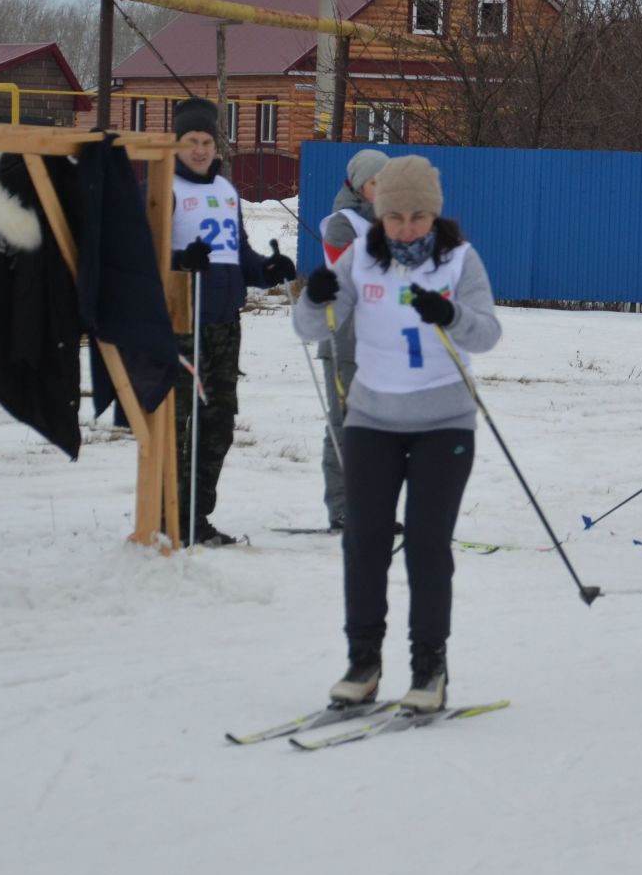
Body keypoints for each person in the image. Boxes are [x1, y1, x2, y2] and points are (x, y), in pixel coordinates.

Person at [293, 155, 503, 710]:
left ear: (433, 215)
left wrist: (450, 313)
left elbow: (488, 334)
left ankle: (428, 668)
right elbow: (310, 327)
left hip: (443, 422)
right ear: (379, 214)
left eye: (417, 217)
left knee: (427, 546)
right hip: (372, 420)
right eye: (395, 217)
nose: (406, 228)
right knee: (364, 543)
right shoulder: (361, 258)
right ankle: (363, 662)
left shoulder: (459, 259)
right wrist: (313, 296)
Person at [169, 97, 291, 546]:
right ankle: (166, 515)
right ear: (175, 144)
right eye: (191, 141)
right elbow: (142, 257)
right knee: (179, 427)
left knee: (217, 426)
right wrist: (181, 259)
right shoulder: (165, 189)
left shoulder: (225, 191)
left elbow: (236, 254)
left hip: (224, 324)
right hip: (181, 325)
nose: (200, 150)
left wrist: (267, 271)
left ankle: (194, 518)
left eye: (207, 141)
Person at [316, 148, 390, 531]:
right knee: (345, 425)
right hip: (345, 339)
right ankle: (343, 507)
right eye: (378, 182)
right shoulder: (341, 223)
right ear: (362, 185)